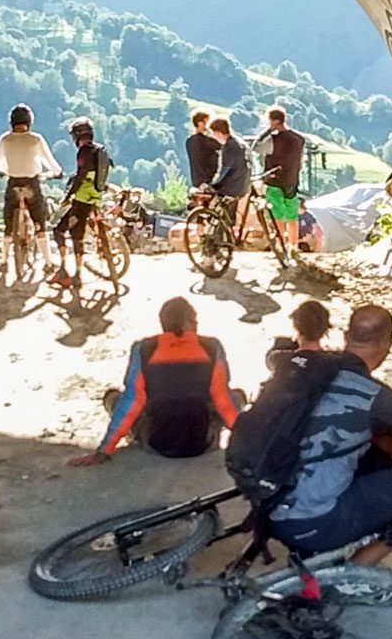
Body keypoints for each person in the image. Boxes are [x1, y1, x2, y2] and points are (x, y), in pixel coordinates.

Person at [268, 304, 392, 567]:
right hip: (310, 522)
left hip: (266, 504)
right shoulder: (375, 396)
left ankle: (315, 552)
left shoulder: (306, 368)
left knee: (372, 452)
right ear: (387, 344)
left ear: (346, 336)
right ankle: (352, 574)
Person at [70, 296, 241, 465]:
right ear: (186, 320)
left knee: (114, 398)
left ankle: (132, 434)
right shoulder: (212, 347)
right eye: (194, 318)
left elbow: (132, 401)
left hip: (157, 444)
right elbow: (223, 400)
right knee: (236, 396)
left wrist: (104, 451)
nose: (197, 323)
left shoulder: (143, 349)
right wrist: (246, 439)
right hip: (202, 444)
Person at [0, 104, 60, 279]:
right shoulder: (35, 139)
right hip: (31, 184)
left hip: (13, 183)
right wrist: (57, 172)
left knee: (8, 225)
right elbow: (49, 160)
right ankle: (48, 263)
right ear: (29, 121)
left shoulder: (5, 139)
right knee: (40, 224)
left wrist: (0, 170)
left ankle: (4, 261)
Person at [49, 116, 110, 291]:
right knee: (78, 234)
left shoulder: (84, 153)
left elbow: (81, 177)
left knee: (62, 232)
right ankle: (73, 272)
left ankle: (71, 273)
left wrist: (68, 196)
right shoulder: (100, 150)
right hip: (95, 198)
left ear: (77, 136)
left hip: (81, 201)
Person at [253, 107, 306, 253]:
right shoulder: (299, 139)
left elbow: (256, 147)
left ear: (274, 121)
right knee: (292, 216)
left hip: (274, 181)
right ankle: (293, 246)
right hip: (292, 180)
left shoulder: (273, 140)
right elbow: (300, 160)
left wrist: (267, 131)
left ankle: (281, 246)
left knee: (277, 216)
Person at [264, 298, 333, 373]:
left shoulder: (279, 359)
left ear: (295, 325)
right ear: (325, 329)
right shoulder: (333, 362)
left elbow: (270, 358)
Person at [206, 115, 250, 231]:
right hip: (243, 184)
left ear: (218, 132)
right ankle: (228, 232)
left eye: (214, 134)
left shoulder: (229, 147)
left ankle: (220, 235)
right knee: (229, 212)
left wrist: (214, 184)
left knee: (217, 206)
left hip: (232, 186)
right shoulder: (241, 143)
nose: (214, 137)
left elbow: (225, 169)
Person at [185, 110, 221, 190]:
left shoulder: (189, 141)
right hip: (209, 180)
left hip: (197, 180)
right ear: (200, 123)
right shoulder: (204, 141)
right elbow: (222, 145)